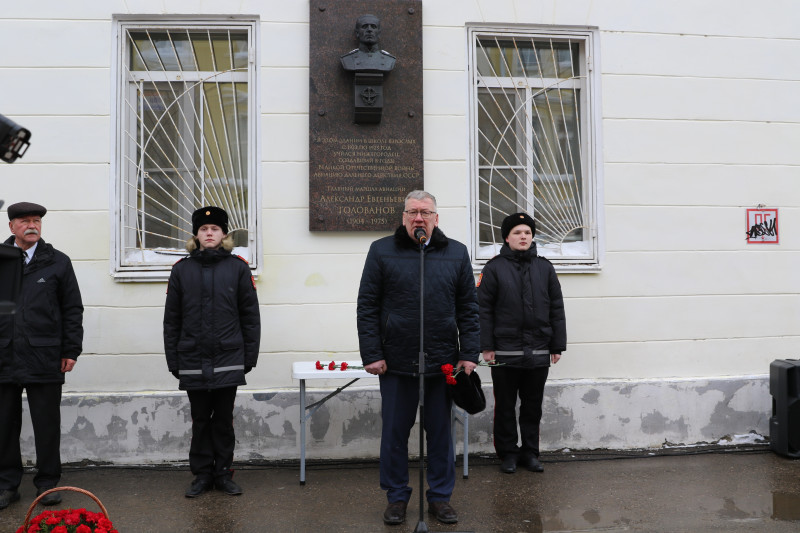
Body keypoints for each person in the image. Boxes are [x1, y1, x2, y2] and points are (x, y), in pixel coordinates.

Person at [357, 191, 480, 525]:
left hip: (442, 364)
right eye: (412, 212)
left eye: (426, 212)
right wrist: (372, 353)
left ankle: (440, 497)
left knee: (440, 435)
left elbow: (469, 308)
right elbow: (367, 306)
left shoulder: (456, 253)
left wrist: (469, 353)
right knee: (394, 435)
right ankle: (396, 497)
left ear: (436, 218)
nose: (419, 218)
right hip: (396, 363)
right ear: (403, 217)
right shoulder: (381, 250)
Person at [163, 206, 261, 498]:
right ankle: (202, 474)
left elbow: (250, 317)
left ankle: (223, 473)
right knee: (200, 419)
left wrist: (248, 358)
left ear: (224, 235)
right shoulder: (181, 270)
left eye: (215, 229)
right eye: (204, 230)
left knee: (223, 420)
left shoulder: (238, 268)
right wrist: (174, 360)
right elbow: (172, 319)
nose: (209, 233)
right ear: (196, 234)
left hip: (228, 358)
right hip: (192, 357)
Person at [0, 202, 83, 510]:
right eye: (25, 221)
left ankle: (47, 483)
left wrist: (71, 350)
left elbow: (72, 309)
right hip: (4, 356)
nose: (32, 225)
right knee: (3, 425)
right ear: (12, 227)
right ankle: (7, 484)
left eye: (36, 221)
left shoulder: (58, 262)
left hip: (44, 355)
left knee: (46, 424)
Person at [477, 212, 566, 474]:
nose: (523, 236)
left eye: (527, 232)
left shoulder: (545, 267)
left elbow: (556, 308)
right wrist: (487, 346)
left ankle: (530, 453)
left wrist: (556, 345)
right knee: (505, 406)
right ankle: (508, 453)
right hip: (505, 351)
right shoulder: (493, 269)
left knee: (532, 406)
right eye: (517, 232)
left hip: (538, 350)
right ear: (507, 237)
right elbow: (483, 310)